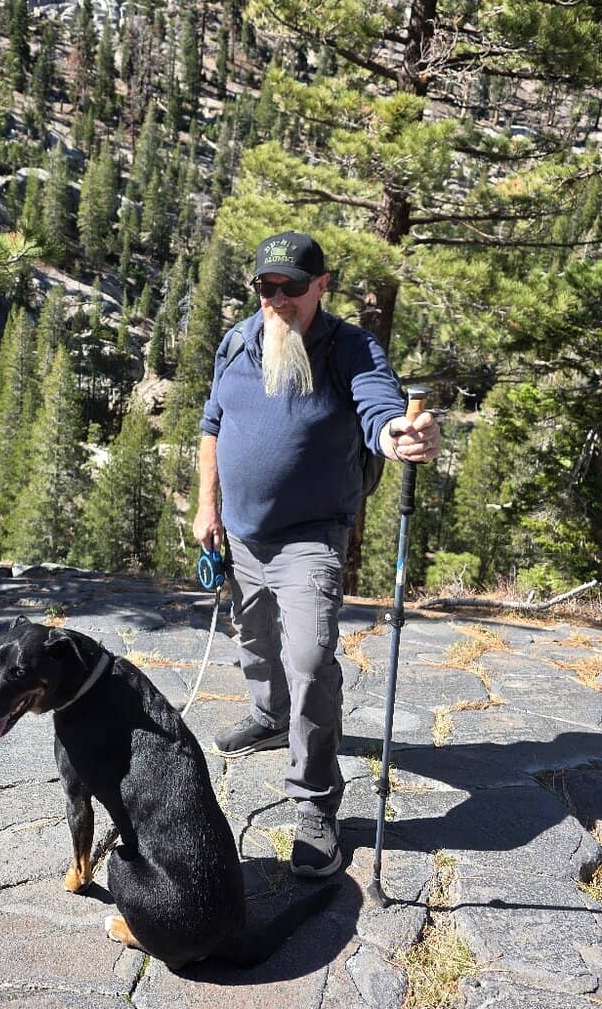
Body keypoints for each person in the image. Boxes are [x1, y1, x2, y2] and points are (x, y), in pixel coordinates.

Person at [193, 231, 441, 878]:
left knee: (307, 658)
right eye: (266, 286)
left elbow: (378, 410)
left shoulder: (350, 347)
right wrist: (207, 507)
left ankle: (315, 802)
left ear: (321, 286)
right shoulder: (238, 341)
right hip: (242, 534)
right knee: (255, 639)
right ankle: (271, 717)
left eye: (292, 287)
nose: (278, 299)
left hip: (311, 536)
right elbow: (213, 426)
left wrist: (398, 435)